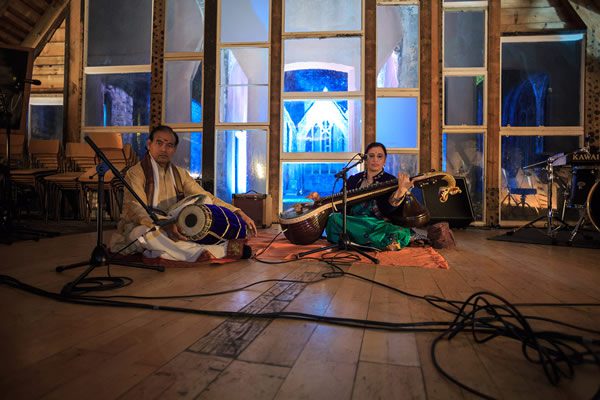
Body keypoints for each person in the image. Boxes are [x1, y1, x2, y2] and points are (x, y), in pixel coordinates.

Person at [109, 125, 256, 261]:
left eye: (169, 145)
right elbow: (137, 209)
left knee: (204, 200)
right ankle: (210, 251)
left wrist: (237, 211)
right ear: (149, 145)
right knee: (146, 233)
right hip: (144, 225)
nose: (164, 149)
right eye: (159, 143)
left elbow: (207, 197)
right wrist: (163, 224)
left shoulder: (180, 173)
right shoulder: (135, 173)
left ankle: (169, 251)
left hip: (174, 224)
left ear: (174, 149)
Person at [307, 142, 413, 251]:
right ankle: (371, 242)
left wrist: (400, 192)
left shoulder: (391, 180)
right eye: (371, 156)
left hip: (376, 223)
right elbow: (339, 202)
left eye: (379, 156)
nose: (375, 160)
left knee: (401, 232)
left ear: (385, 160)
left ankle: (355, 241)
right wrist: (319, 199)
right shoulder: (354, 179)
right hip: (354, 222)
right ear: (365, 159)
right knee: (333, 219)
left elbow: (388, 210)